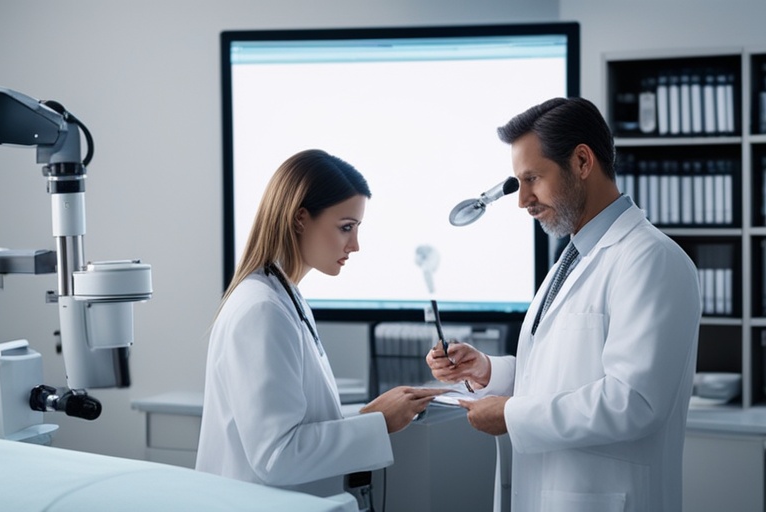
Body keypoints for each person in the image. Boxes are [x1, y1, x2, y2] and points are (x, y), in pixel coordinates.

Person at [426, 97, 701, 512]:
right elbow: (562, 375)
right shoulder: (573, 258)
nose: (523, 200)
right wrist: (485, 370)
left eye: (533, 178)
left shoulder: (651, 259)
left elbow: (634, 402)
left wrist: (512, 417)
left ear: (582, 162)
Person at [197, 149, 444, 498]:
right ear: (300, 218)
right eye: (346, 228)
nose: (355, 245)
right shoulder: (262, 308)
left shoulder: (284, 297)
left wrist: (368, 415)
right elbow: (277, 456)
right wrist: (378, 423)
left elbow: (297, 426)